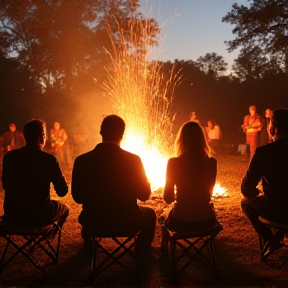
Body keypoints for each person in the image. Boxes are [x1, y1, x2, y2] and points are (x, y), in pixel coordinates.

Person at [71, 115, 156, 250]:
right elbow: (144, 195)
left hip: (93, 221)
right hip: (127, 221)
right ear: (122, 135)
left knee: (87, 215)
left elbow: (77, 197)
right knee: (150, 214)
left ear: (101, 133)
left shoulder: (82, 160)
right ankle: (142, 251)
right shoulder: (133, 160)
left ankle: (89, 244)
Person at [159, 121, 219, 250]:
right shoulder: (211, 163)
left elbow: (168, 198)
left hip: (181, 221)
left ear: (181, 140)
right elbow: (209, 192)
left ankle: (164, 247)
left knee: (162, 215)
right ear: (202, 140)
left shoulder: (174, 163)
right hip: (207, 221)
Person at [1, 119, 69, 227]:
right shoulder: (48, 160)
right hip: (39, 217)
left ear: (24, 137)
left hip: (12, 215)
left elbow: (5, 185)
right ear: (41, 137)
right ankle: (48, 237)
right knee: (64, 209)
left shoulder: (9, 157)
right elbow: (62, 191)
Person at [241, 108, 288, 259]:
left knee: (246, 203)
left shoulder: (264, 152)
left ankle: (270, 238)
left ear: (272, 130)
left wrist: (257, 193)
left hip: (276, 210)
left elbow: (246, 189)